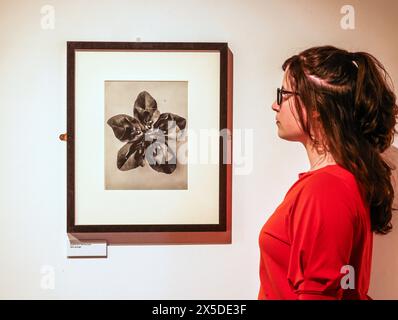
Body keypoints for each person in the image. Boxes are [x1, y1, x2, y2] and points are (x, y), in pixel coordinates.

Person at [258, 45, 398, 300]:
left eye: (284, 94)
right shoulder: (332, 183)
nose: (274, 105)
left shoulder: (326, 189)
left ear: (316, 106)